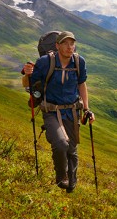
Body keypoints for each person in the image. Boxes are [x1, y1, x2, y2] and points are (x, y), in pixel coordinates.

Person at [22, 31, 95, 193]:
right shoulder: (45, 62)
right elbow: (30, 85)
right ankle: (61, 177)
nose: (70, 47)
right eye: (65, 44)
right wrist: (27, 74)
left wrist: (87, 109)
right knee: (61, 143)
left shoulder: (78, 62)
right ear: (57, 46)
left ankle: (71, 185)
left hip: (72, 111)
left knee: (72, 150)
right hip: (51, 111)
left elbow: (82, 85)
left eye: (72, 43)